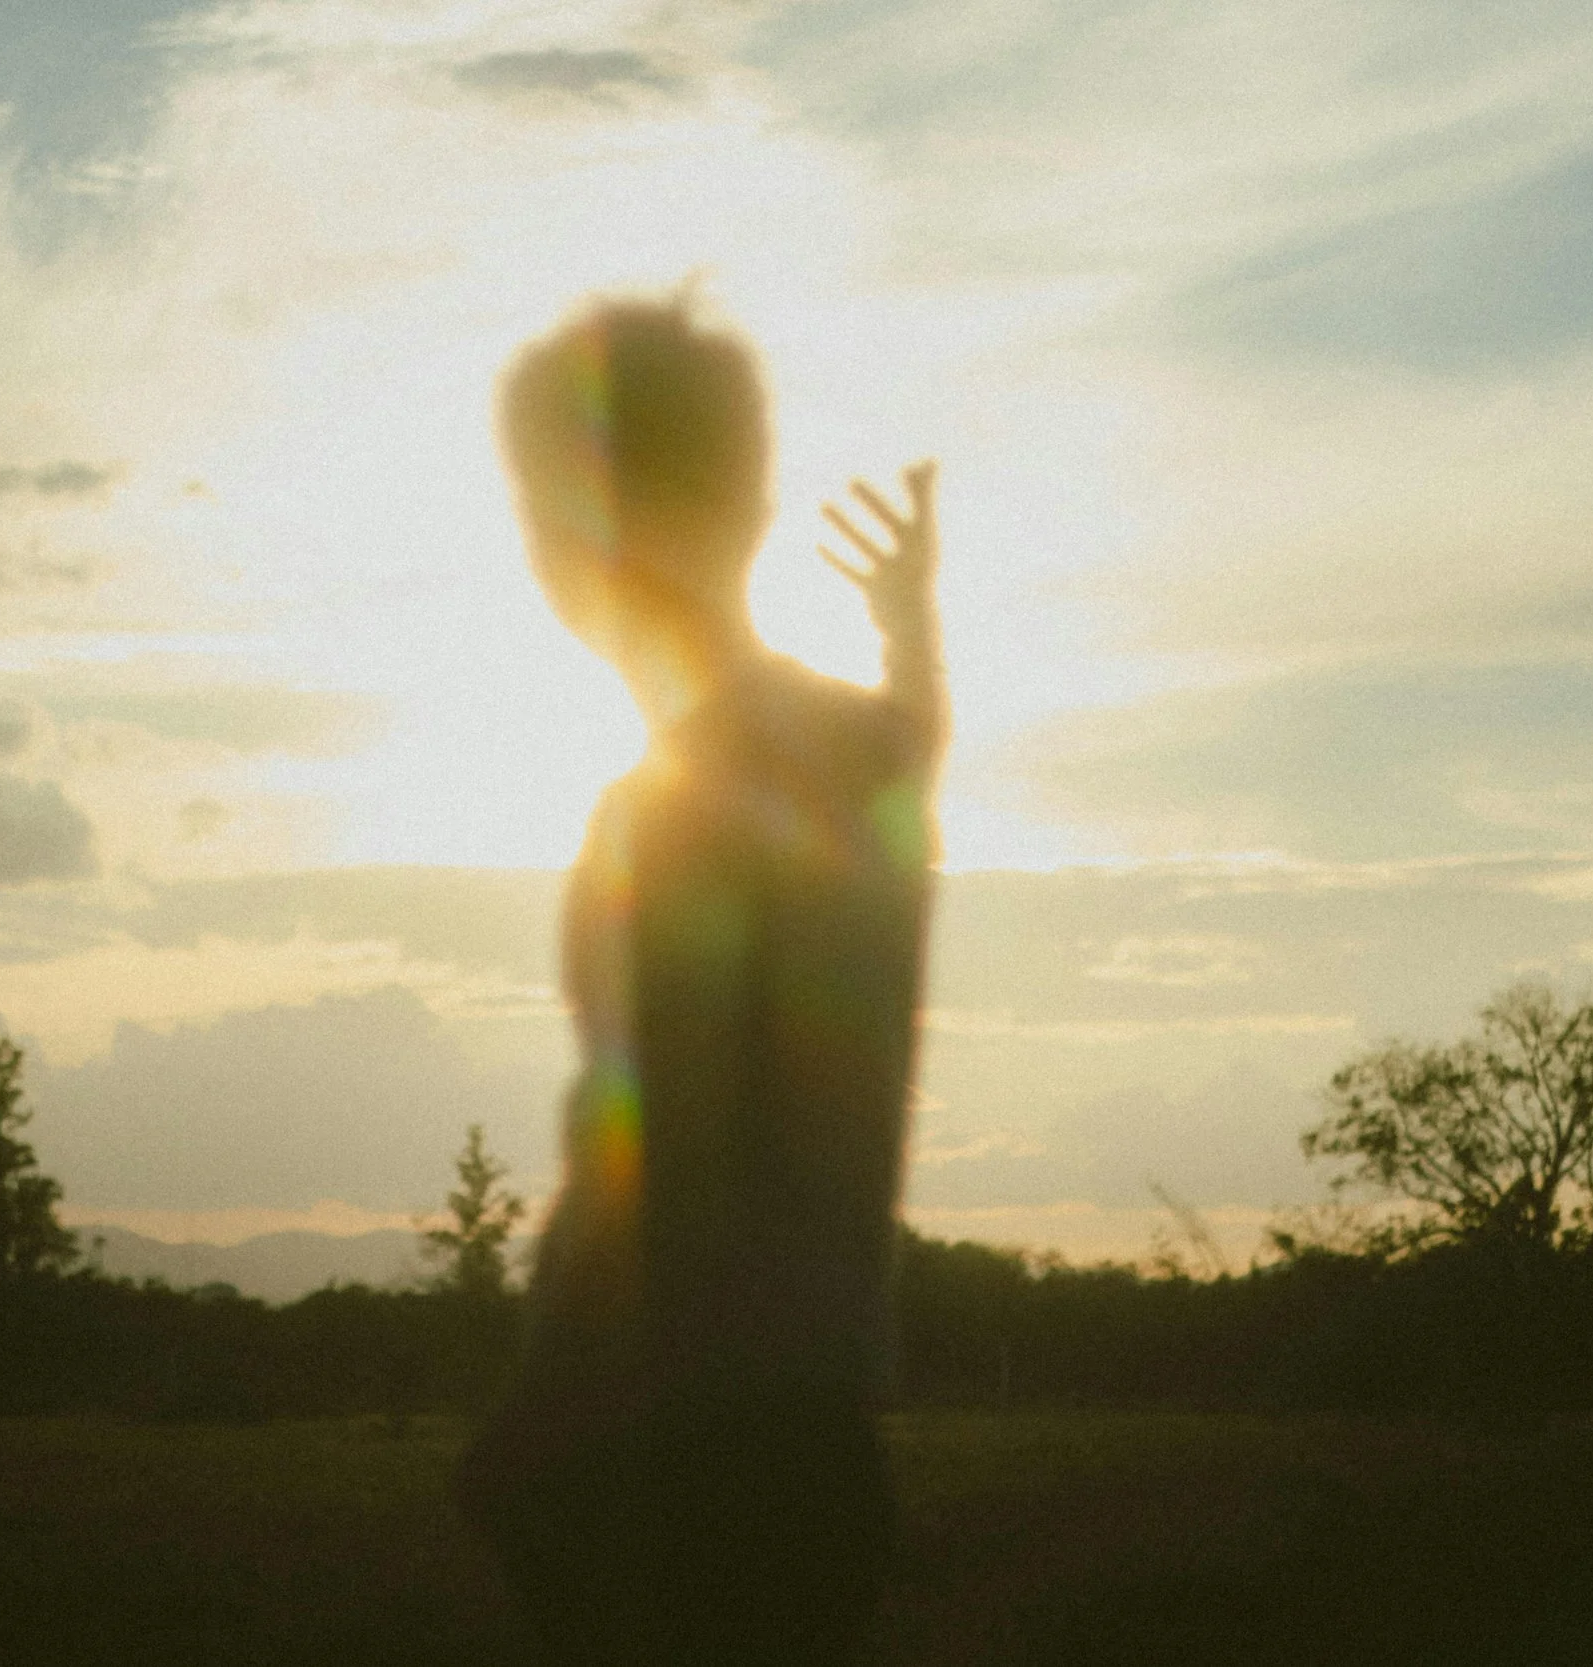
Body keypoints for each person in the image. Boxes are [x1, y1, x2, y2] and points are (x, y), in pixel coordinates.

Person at [455, 290, 946, 1665]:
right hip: (820, 1459)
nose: (542, 551)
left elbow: (667, 1161)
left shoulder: (663, 815)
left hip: (675, 1482)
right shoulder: (858, 752)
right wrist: (910, 625)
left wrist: (529, 1428)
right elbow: (914, 736)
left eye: (550, 506)